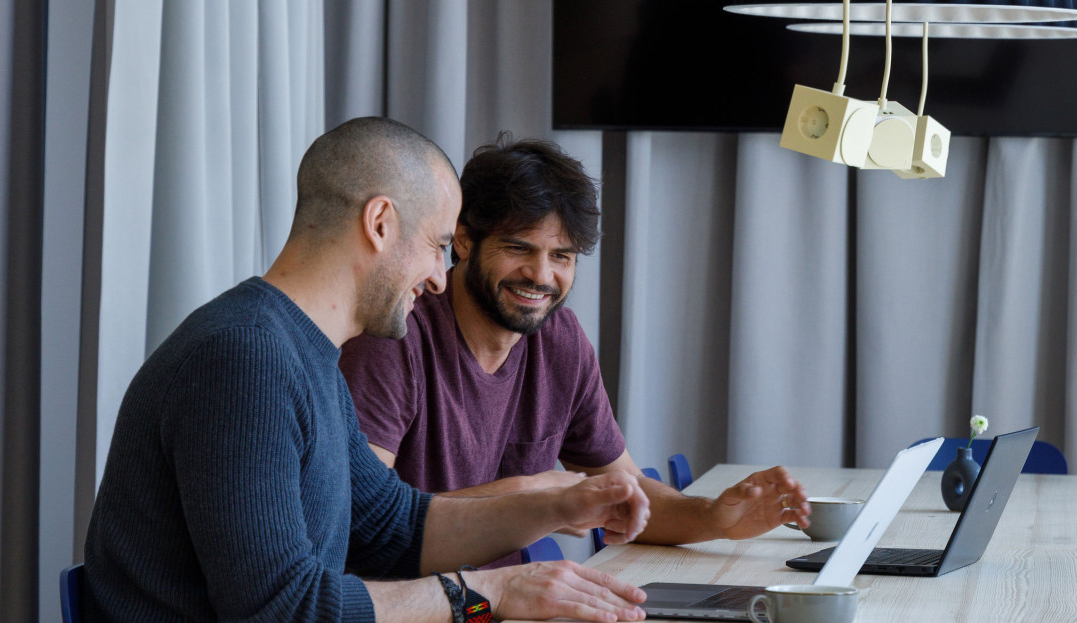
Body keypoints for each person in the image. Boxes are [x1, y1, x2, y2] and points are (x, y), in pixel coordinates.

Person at [83, 117, 656, 623]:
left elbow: (398, 525)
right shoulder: (242, 359)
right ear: (380, 224)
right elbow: (286, 620)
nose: (440, 273)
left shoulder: (302, 352)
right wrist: (491, 594)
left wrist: (556, 517)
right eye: (436, 246)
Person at [339, 133, 812, 546]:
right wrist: (530, 496)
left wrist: (713, 518)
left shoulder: (559, 340)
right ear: (462, 240)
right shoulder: (393, 337)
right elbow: (362, 522)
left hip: (495, 608)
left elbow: (625, 495)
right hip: (418, 615)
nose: (541, 275)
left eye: (562, 256)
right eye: (518, 248)